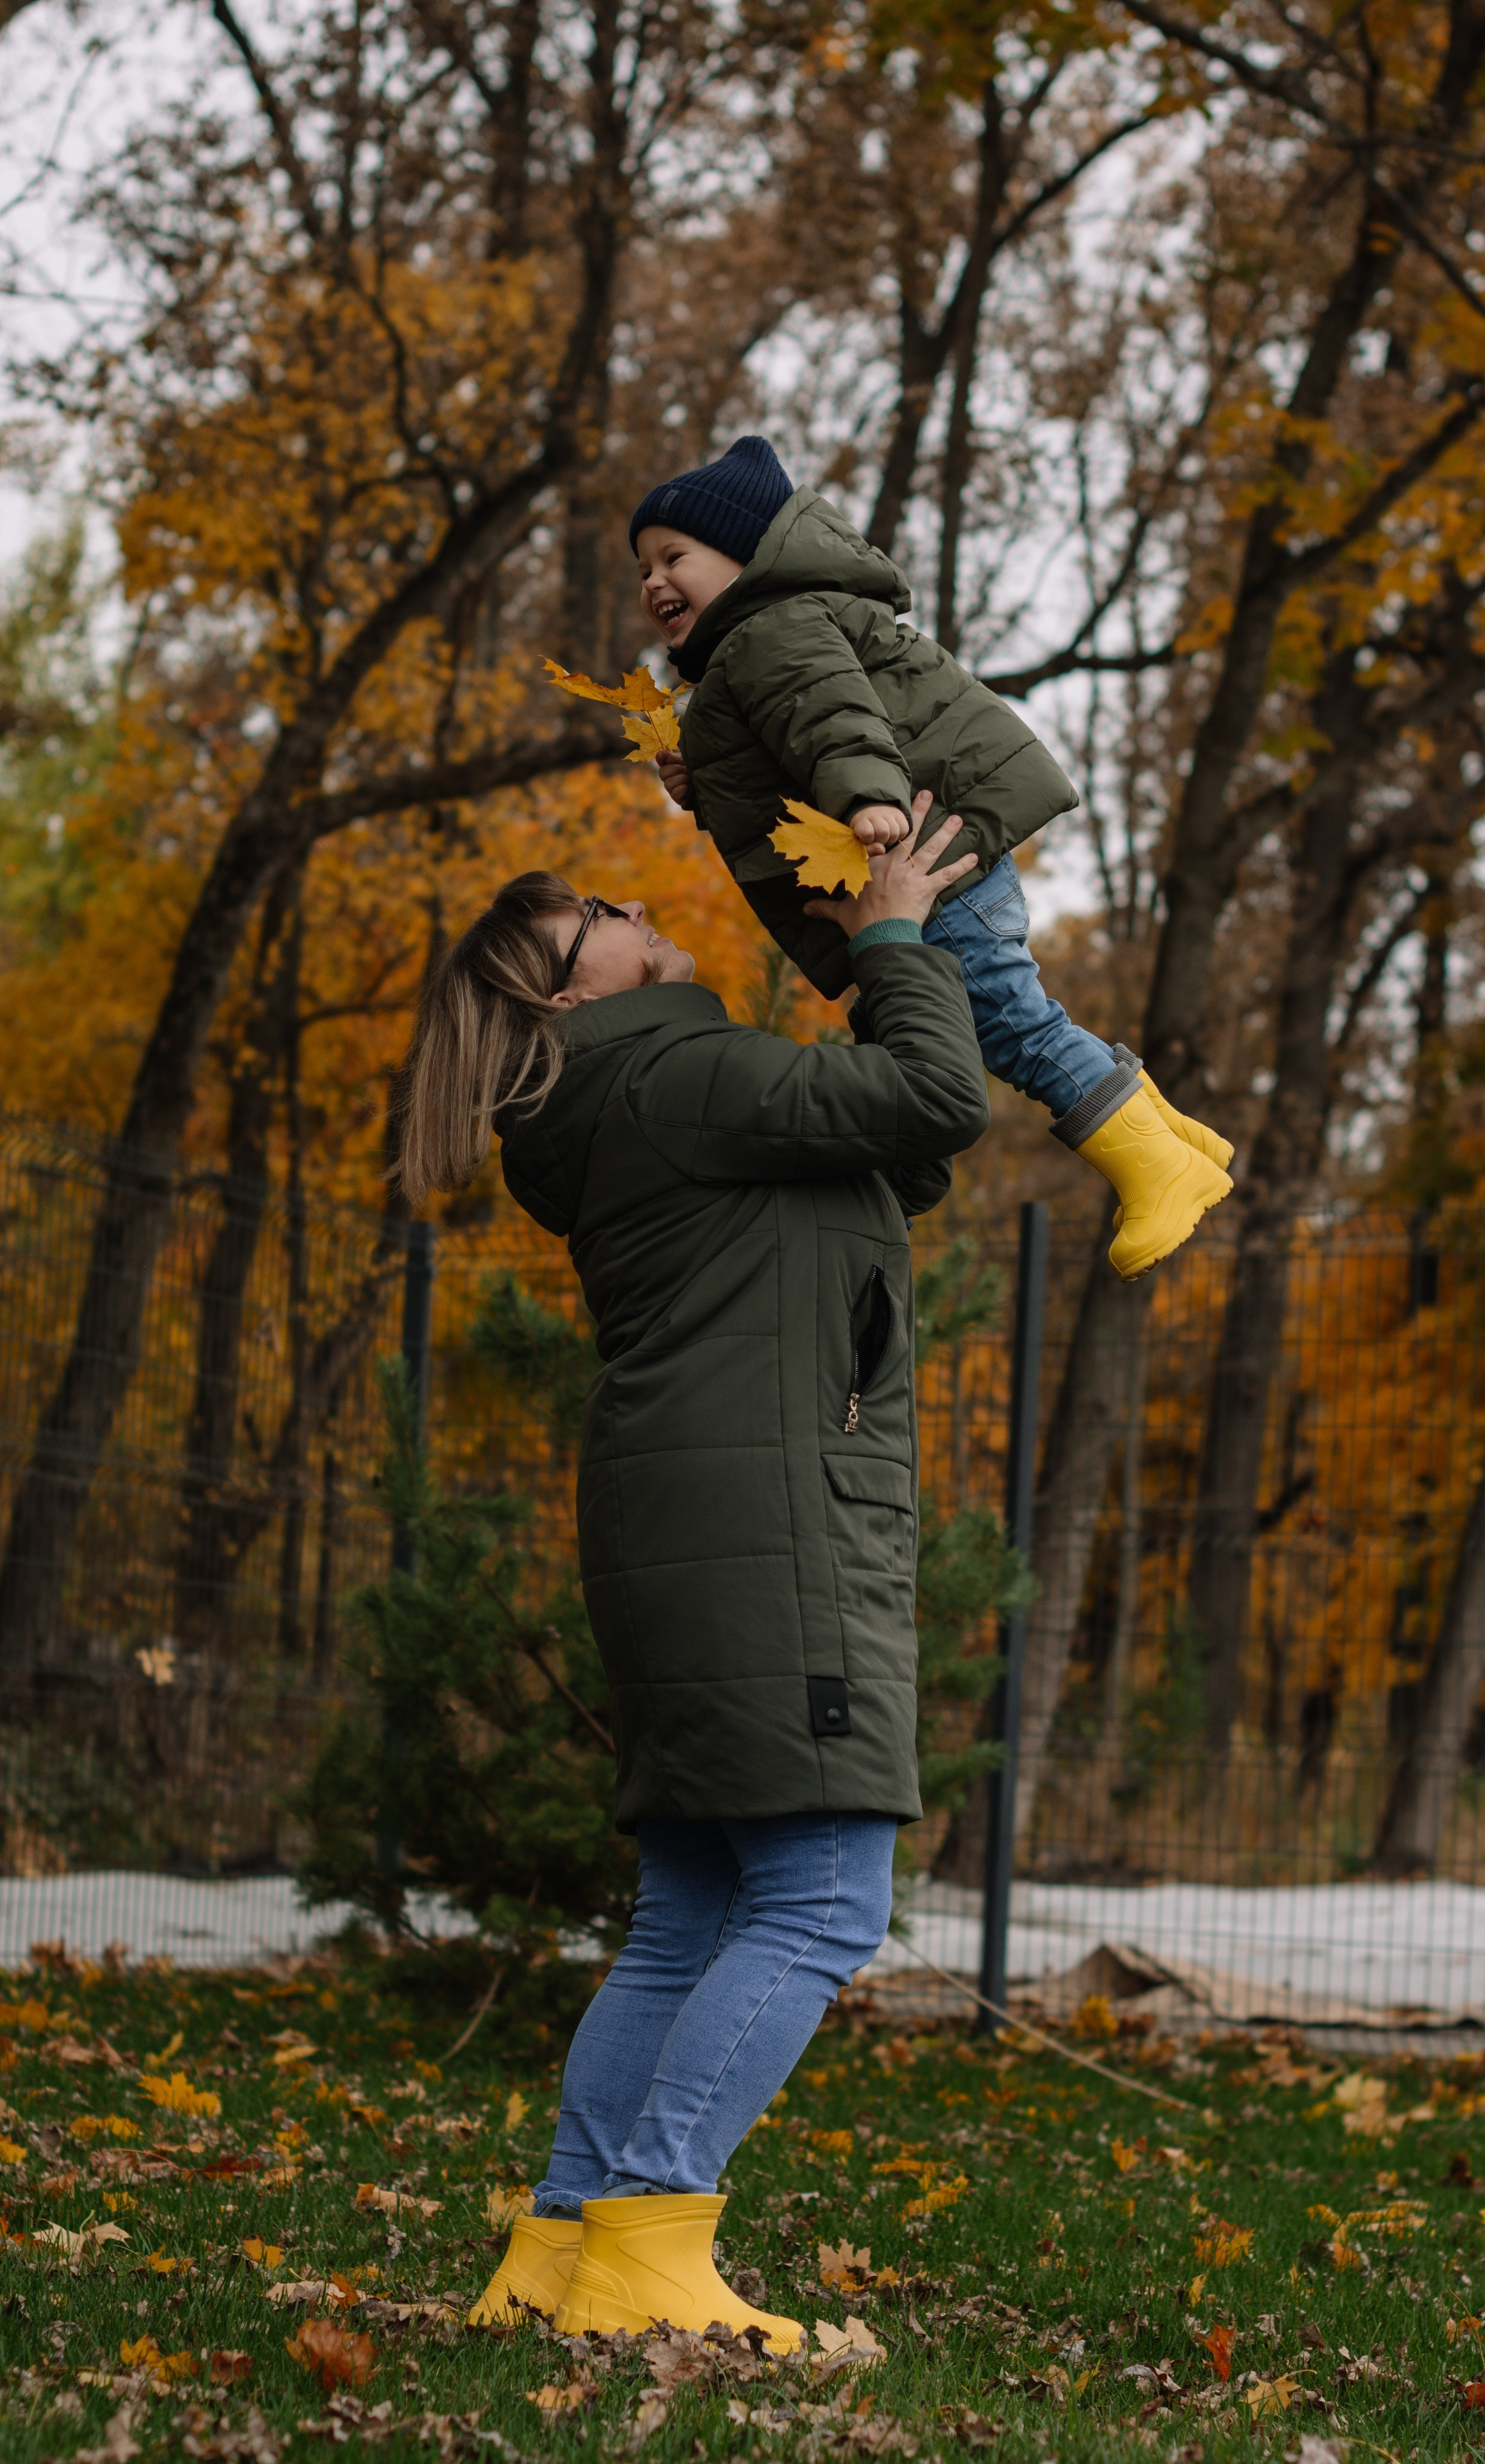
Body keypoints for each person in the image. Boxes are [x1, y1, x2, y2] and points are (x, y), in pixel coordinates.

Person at [398, 801, 989, 2353]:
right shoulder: (675, 1069)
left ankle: (556, 2253)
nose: (621, 904)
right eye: (585, 913)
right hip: (771, 1525)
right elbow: (938, 1091)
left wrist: (876, 960)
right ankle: (653, 2238)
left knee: (688, 1912)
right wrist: (888, 940)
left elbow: (886, 1156)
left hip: (682, 1520)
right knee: (817, 1899)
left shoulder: (621, 1101)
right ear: (567, 994)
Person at [629, 432, 1234, 1283]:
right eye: (643, 569)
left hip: (921, 859)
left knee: (1007, 1024)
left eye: (674, 556)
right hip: (918, 861)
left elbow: (837, 719)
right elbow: (783, 752)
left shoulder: (772, 632)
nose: (654, 581)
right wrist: (705, 776)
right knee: (995, 1017)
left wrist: (871, 797)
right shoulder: (749, 653)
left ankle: (1154, 1166)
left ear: (748, 555)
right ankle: (1181, 1141)